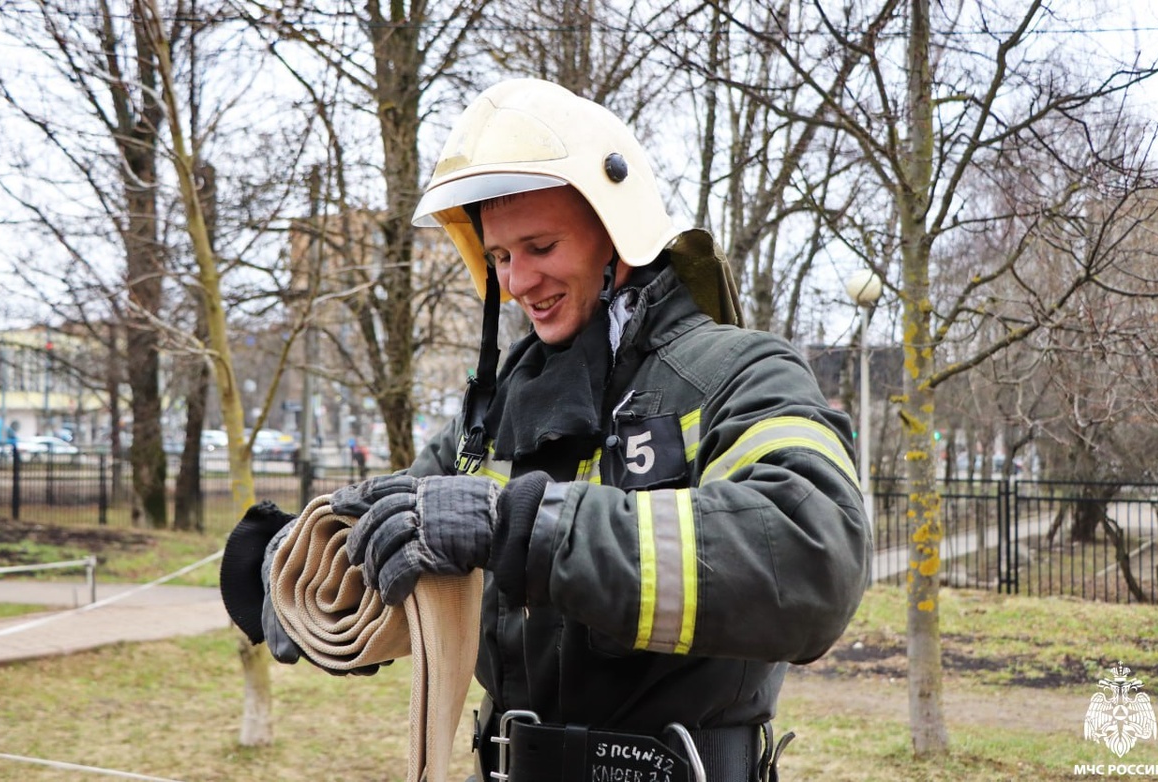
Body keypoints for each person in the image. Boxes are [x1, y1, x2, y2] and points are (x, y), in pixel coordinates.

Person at [223, 78, 870, 782]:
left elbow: (813, 560)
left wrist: (523, 527)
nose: (518, 281)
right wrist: (294, 564)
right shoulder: (498, 412)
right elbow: (400, 531)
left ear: (617, 234)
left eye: (540, 245)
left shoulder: (740, 373)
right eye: (501, 257)